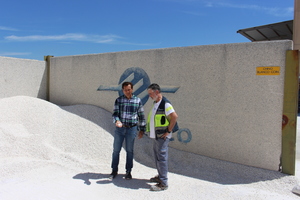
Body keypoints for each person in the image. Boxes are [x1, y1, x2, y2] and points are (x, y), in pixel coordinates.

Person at [138, 83, 178, 191]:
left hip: (162, 137)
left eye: (151, 94)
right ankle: (160, 177)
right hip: (156, 136)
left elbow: (174, 117)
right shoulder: (156, 102)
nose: (149, 96)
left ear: (156, 92)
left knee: (162, 159)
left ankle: (163, 183)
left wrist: (168, 131)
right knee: (157, 158)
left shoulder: (165, 104)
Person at [110, 82, 146, 180]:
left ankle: (128, 171)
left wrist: (142, 129)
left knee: (130, 151)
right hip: (120, 129)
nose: (127, 91)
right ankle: (114, 170)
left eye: (129, 89)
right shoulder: (119, 100)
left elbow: (141, 116)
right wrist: (117, 121)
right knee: (116, 150)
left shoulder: (137, 100)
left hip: (132, 129)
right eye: (125, 90)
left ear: (132, 89)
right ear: (123, 90)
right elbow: (115, 114)